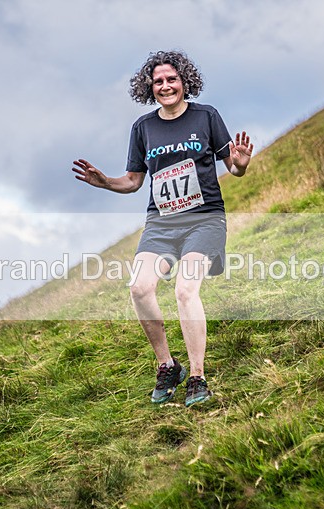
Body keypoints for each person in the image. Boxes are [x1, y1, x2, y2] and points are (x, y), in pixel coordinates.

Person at [72, 50, 253, 407]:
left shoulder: (206, 116)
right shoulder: (143, 128)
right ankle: (168, 365)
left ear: (185, 81)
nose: (166, 86)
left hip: (204, 219)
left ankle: (198, 378)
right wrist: (106, 182)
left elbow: (232, 167)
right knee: (139, 288)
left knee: (186, 290)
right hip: (161, 223)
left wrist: (242, 165)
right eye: (158, 81)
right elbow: (133, 181)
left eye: (172, 79)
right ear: (149, 88)